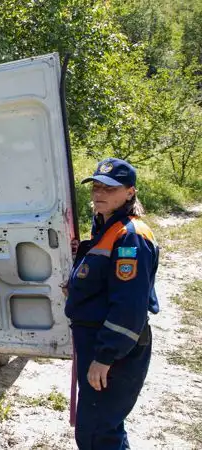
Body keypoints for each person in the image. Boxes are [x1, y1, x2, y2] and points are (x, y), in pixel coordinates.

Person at [65, 157, 159, 449]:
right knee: (104, 428)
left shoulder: (131, 237)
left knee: (97, 434)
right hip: (96, 340)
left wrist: (105, 357)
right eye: (96, 186)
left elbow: (129, 307)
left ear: (130, 192)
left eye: (109, 188)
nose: (98, 193)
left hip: (114, 349)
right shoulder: (106, 228)